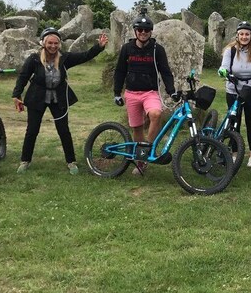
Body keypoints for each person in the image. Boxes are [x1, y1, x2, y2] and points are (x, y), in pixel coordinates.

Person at [12, 27, 108, 175]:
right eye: (50, 43)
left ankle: (71, 162)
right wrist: (16, 94)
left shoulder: (64, 58)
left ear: (59, 44)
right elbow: (23, 76)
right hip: (37, 97)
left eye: (56, 43)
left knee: (63, 130)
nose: (53, 46)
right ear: (43, 43)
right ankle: (25, 161)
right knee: (32, 130)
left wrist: (99, 47)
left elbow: (84, 56)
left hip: (59, 97)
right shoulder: (34, 58)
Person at [113, 14, 176, 172]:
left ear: (151, 31)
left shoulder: (157, 50)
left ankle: (146, 150)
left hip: (150, 92)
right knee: (137, 128)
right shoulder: (127, 49)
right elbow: (120, 71)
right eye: (140, 29)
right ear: (135, 31)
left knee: (156, 114)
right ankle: (141, 162)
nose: (143, 32)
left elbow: (165, 72)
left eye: (146, 30)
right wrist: (116, 92)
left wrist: (171, 91)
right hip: (131, 93)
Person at [218, 21, 251, 167]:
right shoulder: (230, 51)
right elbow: (223, 67)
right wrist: (223, 72)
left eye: (247, 34)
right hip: (233, 91)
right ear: (237, 35)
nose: (244, 37)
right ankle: (234, 153)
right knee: (234, 123)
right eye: (242, 34)